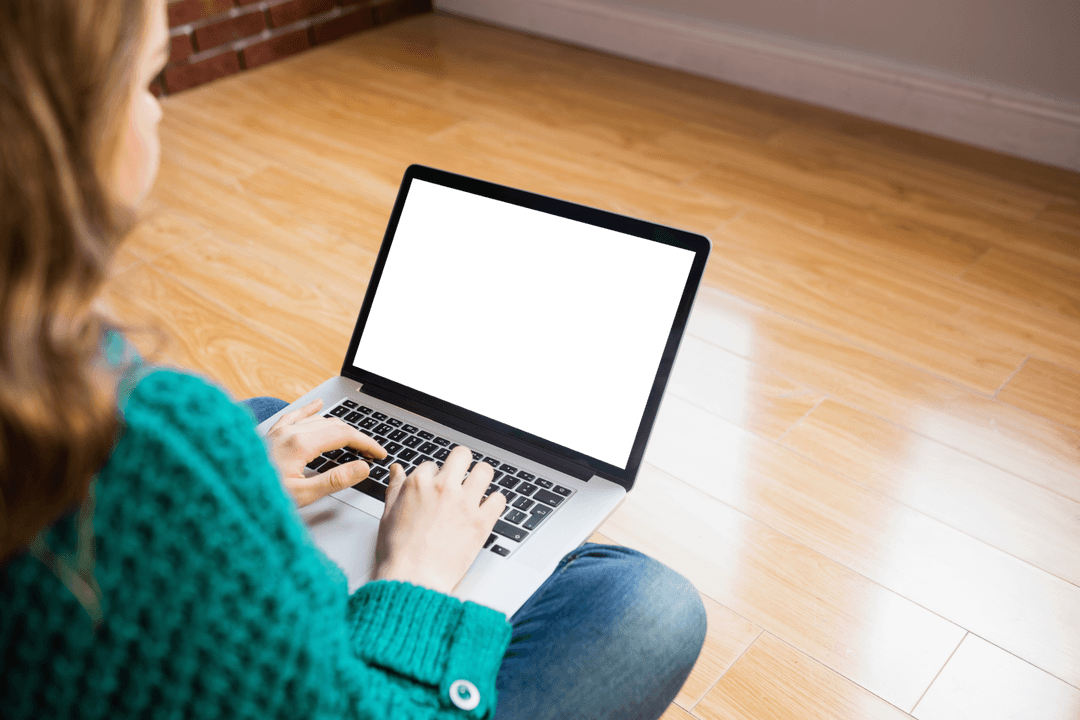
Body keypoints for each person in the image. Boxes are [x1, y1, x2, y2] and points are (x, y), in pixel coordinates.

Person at [0, 0, 707, 718]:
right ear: (52, 133)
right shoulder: (149, 442)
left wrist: (241, 484)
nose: (157, 114)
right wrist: (413, 575)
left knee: (273, 421)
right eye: (147, 80)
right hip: (352, 668)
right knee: (649, 603)